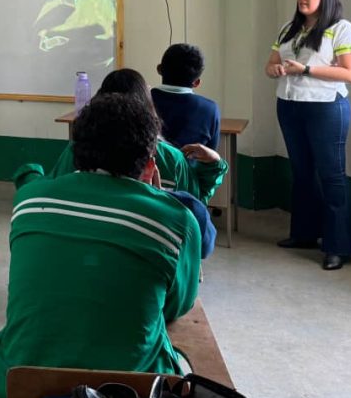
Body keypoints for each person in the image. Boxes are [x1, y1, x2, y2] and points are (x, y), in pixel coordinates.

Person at [0, 94, 202, 398]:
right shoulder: (177, 220)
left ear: (75, 152)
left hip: (19, 395)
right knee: (182, 367)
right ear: (150, 163)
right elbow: (176, 306)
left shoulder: (29, 199)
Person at [16, 69, 221, 258]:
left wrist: (30, 176)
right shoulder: (172, 160)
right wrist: (213, 167)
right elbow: (197, 221)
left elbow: (52, 188)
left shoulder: (74, 153)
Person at [266, 0, 351, 271]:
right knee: (302, 172)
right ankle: (304, 234)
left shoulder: (341, 29)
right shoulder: (288, 29)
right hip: (289, 105)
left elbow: (349, 74)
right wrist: (276, 68)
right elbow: (269, 64)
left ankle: (338, 246)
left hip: (326, 108)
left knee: (332, 175)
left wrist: (305, 69)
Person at [151, 43, 221, 150]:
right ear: (196, 82)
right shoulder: (210, 109)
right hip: (191, 167)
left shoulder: (141, 101)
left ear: (159, 69)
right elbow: (211, 159)